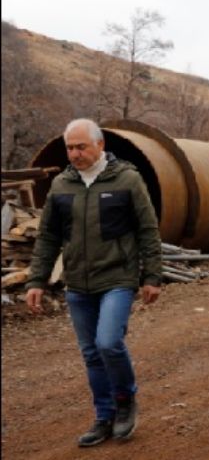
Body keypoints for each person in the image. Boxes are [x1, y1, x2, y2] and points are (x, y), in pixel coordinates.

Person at [26, 118, 162, 447]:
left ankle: (125, 400)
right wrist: (37, 280)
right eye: (70, 147)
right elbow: (48, 237)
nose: (74, 153)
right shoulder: (62, 185)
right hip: (77, 283)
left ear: (100, 145)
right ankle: (104, 417)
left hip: (117, 277)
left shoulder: (127, 179)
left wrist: (152, 275)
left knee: (108, 343)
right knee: (90, 353)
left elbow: (147, 228)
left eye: (81, 146)